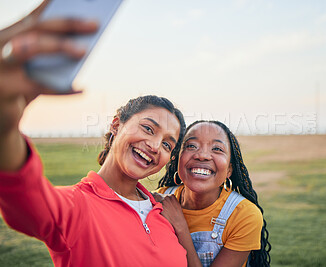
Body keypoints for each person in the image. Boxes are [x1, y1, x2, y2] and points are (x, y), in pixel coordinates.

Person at [0, 2, 187, 266]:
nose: (156, 146)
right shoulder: (77, 206)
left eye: (169, 144)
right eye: (148, 128)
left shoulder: (164, 211)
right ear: (116, 125)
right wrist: (4, 128)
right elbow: (25, 198)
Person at [156, 120, 272, 267]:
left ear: (229, 170)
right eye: (191, 146)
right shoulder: (155, 200)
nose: (202, 155)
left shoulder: (244, 215)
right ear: (177, 159)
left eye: (217, 149)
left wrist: (180, 227)